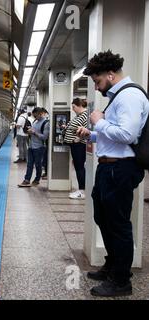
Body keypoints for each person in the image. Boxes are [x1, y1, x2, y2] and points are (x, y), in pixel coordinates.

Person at [77, 50, 149, 297]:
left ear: (110, 75)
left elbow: (128, 135)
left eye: (97, 82)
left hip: (121, 169)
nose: (96, 88)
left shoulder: (128, 96)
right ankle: (113, 265)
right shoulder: (118, 96)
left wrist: (98, 122)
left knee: (117, 224)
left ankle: (121, 281)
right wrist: (93, 135)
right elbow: (117, 134)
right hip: (109, 167)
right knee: (103, 218)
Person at [62, 98, 88, 199]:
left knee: (79, 167)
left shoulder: (85, 115)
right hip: (75, 146)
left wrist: (79, 138)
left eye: (74, 107)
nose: (73, 109)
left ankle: (82, 191)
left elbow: (87, 129)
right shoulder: (79, 115)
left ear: (79, 105)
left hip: (79, 145)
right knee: (78, 167)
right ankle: (81, 189)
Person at [18, 107, 50, 187]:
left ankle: (37, 179)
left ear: (40, 114)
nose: (34, 118)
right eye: (34, 116)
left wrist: (34, 132)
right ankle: (27, 180)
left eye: (36, 116)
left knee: (38, 164)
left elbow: (44, 137)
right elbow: (33, 131)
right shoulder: (35, 121)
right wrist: (30, 131)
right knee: (29, 164)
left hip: (39, 147)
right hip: (31, 146)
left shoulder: (46, 123)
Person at [40, 108, 50, 179]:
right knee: (45, 157)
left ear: (44, 113)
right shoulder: (46, 120)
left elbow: (45, 135)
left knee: (46, 158)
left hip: (47, 142)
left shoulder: (47, 120)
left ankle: (47, 173)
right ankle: (46, 172)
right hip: (46, 142)